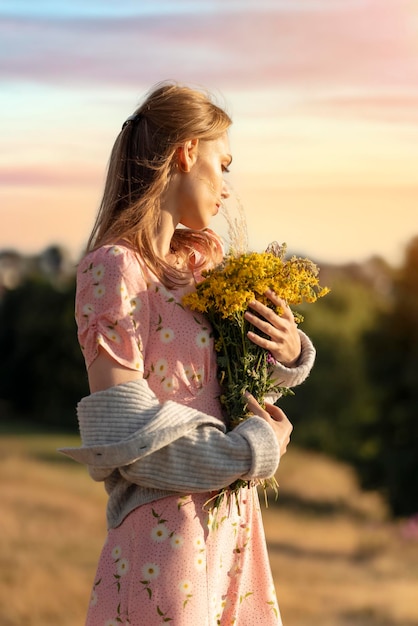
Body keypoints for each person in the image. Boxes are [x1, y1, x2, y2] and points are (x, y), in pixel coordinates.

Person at [60, 81, 316, 626]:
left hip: (231, 528)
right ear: (186, 151)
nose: (227, 187)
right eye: (224, 164)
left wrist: (285, 355)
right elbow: (127, 442)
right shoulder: (114, 269)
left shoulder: (197, 272)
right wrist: (252, 451)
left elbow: (220, 399)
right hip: (165, 543)